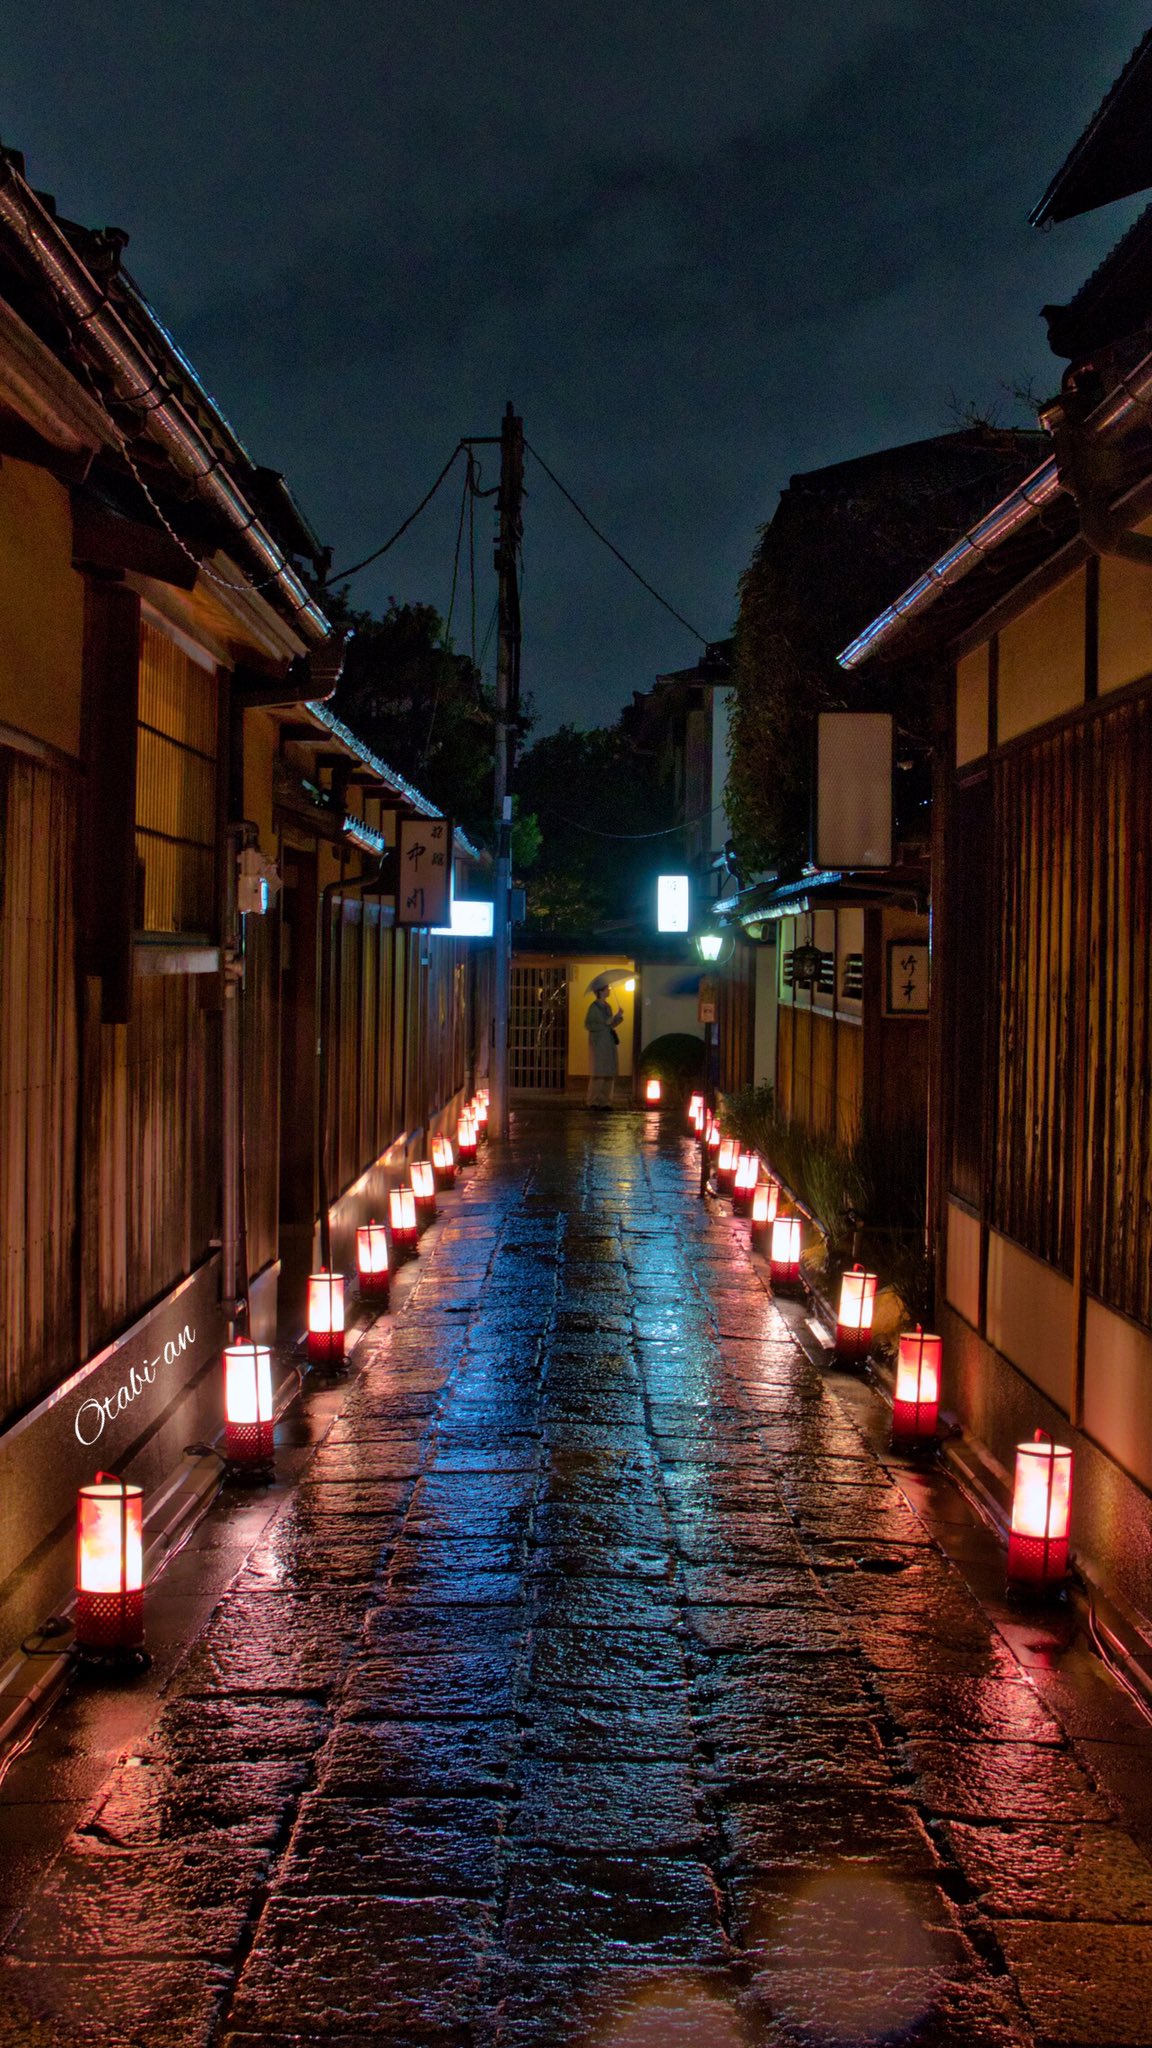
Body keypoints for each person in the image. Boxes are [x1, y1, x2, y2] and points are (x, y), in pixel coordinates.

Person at [584, 981, 623, 1109]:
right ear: (601, 991)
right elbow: (589, 1024)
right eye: (607, 988)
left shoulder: (608, 1006)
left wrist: (617, 1017)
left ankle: (606, 1101)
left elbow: (610, 1024)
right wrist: (606, 1022)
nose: (609, 990)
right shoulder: (593, 1007)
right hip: (599, 1042)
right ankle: (593, 1101)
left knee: (608, 1072)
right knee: (599, 1072)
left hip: (608, 1041)